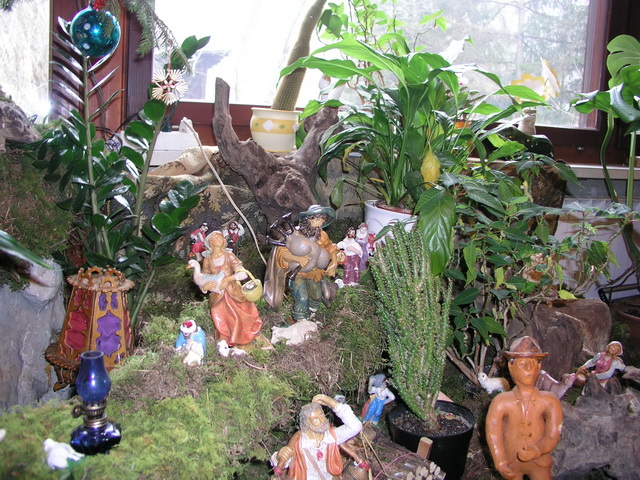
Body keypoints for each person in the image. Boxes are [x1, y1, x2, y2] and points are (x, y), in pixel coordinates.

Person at [485, 336, 563, 480]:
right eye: (522, 364)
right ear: (511, 366)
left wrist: (538, 449)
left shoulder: (550, 401)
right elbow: (493, 433)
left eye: (533, 363)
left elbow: (553, 434)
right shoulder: (501, 402)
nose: (528, 368)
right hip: (511, 462)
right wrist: (500, 461)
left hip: (540, 462)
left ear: (539, 366)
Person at [266, 205, 339, 322]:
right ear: (307, 220)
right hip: (298, 273)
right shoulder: (294, 235)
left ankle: (312, 315)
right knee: (302, 297)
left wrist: (334, 263)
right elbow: (281, 253)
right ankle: (301, 320)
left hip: (314, 273)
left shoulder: (322, 236)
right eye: (316, 220)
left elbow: (331, 248)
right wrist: (296, 258)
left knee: (315, 296)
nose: (319, 224)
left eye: (321, 221)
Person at [271, 394, 368, 480]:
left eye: (322, 415)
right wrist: (279, 456)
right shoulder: (299, 444)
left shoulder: (331, 437)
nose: (322, 421)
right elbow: (282, 462)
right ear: (306, 424)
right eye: (315, 419)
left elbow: (355, 426)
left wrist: (332, 403)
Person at [201, 231, 262, 346]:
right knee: (222, 317)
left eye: (221, 237)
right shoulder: (207, 260)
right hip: (218, 295)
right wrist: (205, 287)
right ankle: (226, 339)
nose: (219, 238)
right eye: (216, 237)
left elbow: (243, 273)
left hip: (233, 292)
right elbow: (203, 278)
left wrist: (229, 278)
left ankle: (246, 336)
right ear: (210, 242)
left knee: (242, 314)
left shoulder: (229, 255)